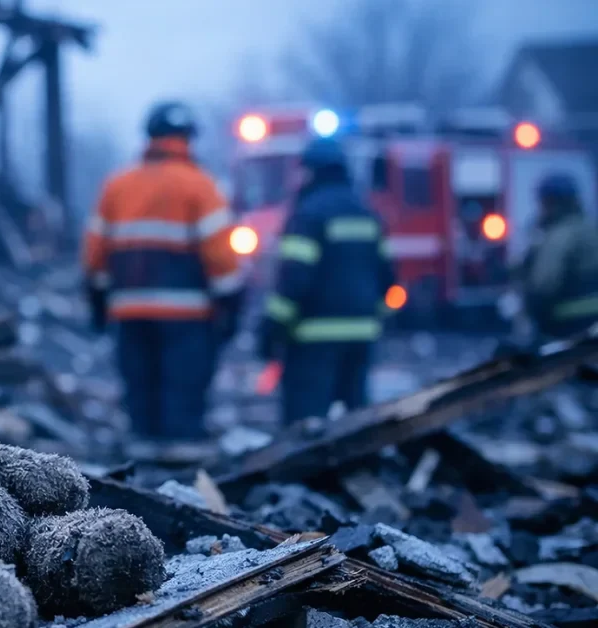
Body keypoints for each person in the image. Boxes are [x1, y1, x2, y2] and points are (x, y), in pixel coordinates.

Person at [82, 101, 244, 440]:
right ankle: (179, 462)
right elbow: (220, 256)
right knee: (183, 389)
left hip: (129, 311)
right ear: (187, 138)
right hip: (188, 315)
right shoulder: (200, 185)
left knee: (140, 386)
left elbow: (95, 252)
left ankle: (142, 454)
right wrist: (230, 303)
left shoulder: (117, 185)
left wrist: (97, 299)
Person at [256, 137, 395, 425]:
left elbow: (294, 280)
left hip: (312, 339)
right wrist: (373, 318)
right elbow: (387, 277)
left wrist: (273, 328)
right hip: (361, 335)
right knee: (355, 425)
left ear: (311, 171)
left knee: (305, 427)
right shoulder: (367, 213)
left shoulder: (308, 215)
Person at [521, 173, 598, 339]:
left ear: (550, 202)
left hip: (567, 326)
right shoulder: (590, 228)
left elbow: (545, 284)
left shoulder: (560, 235)